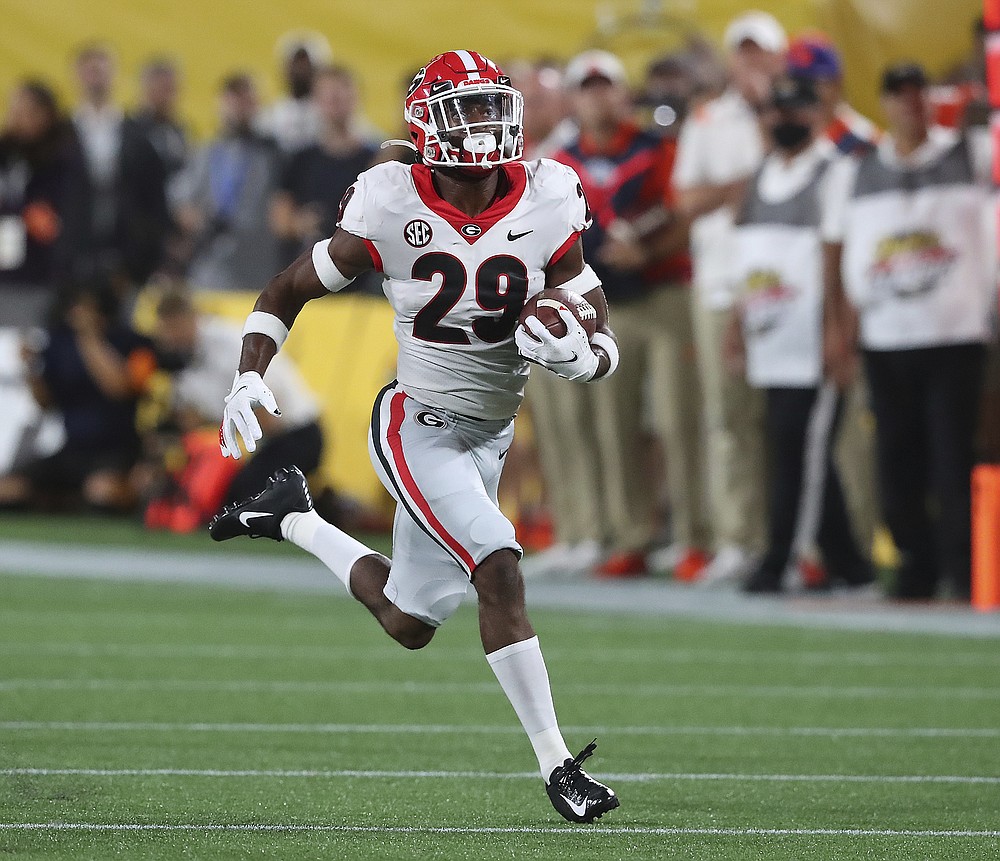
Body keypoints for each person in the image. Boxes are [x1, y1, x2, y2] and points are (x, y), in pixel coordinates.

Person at [207, 50, 621, 823]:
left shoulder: (549, 194)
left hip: (491, 433)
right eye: (464, 111)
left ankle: (289, 515)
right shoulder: (390, 202)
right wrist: (249, 370)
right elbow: (288, 286)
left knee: (409, 622)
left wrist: (585, 356)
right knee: (498, 563)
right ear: (427, 124)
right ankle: (559, 766)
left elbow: (595, 318)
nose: (483, 126)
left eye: (491, 107)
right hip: (416, 421)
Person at [822, 62, 995, 600]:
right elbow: (836, 250)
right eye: (897, 95)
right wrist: (839, 327)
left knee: (952, 457)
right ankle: (917, 566)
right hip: (887, 334)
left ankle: (964, 568)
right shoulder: (855, 171)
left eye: (916, 94)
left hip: (956, 333)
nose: (908, 104)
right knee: (897, 459)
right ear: (885, 103)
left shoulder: (972, 153)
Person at [550, 50, 708, 579]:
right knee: (612, 424)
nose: (597, 98)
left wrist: (648, 251)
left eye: (605, 87)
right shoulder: (560, 162)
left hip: (662, 294)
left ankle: (695, 536)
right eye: (587, 88)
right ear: (574, 99)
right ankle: (632, 534)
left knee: (678, 419)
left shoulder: (657, 148)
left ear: (623, 94)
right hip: (602, 304)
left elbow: (682, 213)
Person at [724, 76, 874, 593]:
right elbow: (749, 262)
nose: (784, 119)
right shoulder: (761, 174)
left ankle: (782, 559)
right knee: (796, 450)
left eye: (795, 109)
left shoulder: (836, 172)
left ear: (817, 113)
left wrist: (840, 333)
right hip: (772, 337)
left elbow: (843, 264)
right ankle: (849, 562)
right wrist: (737, 327)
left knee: (799, 451)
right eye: (775, 110)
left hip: (811, 341)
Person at [673, 10, 787, 584]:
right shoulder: (708, 118)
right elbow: (685, 200)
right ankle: (740, 537)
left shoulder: (793, 114)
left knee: (788, 417)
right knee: (728, 417)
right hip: (721, 281)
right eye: (742, 52)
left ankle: (799, 540)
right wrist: (738, 189)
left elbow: (786, 171)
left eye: (759, 52)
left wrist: (768, 111)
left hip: (785, 285)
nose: (750, 63)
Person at [152, 289, 324, 504]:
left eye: (172, 328)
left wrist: (244, 453)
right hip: (268, 437)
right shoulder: (182, 359)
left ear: (191, 318)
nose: (168, 337)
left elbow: (264, 408)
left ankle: (324, 505)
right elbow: (193, 420)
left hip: (294, 434)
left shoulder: (226, 343)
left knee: (246, 497)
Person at [0, 281, 155, 511]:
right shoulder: (60, 342)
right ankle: (58, 501)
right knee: (8, 489)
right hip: (72, 448)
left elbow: (118, 389)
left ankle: (67, 502)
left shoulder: (131, 341)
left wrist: (89, 338)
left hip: (115, 449)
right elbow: (45, 404)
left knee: (103, 494)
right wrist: (31, 369)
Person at [63, 43, 169, 288]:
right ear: (76, 76)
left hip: (125, 256)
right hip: (72, 253)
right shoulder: (62, 136)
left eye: (101, 71)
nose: (96, 79)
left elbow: (154, 199)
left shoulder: (136, 136)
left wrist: (149, 254)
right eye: (89, 71)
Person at [173, 73, 282, 292]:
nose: (241, 109)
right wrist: (197, 222)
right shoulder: (206, 152)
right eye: (235, 101)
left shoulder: (273, 153)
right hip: (211, 256)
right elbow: (181, 202)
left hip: (257, 257)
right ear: (222, 105)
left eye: (247, 101)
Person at [270, 66, 378, 275]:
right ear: (316, 102)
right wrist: (300, 223)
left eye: (341, 95)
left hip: (361, 279)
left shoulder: (375, 161)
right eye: (329, 97)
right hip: (309, 275)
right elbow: (279, 219)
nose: (335, 104)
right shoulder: (300, 159)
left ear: (356, 98)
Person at [0, 80, 77, 325]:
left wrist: (17, 211)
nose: (15, 118)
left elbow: (46, 220)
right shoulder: (8, 151)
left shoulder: (62, 158)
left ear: (44, 115)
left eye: (23, 111)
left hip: (36, 274)